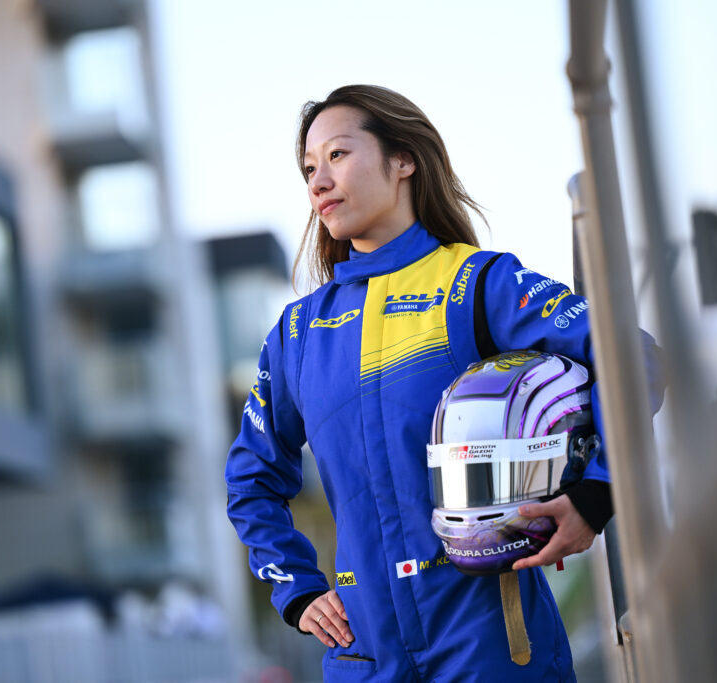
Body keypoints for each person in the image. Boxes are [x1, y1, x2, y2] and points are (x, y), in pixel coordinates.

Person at [225, 84, 664, 682]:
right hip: (362, 656)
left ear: (402, 160)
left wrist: (596, 496)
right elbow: (250, 479)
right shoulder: (298, 333)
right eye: (308, 168)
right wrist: (297, 591)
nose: (318, 182)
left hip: (491, 645)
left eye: (337, 155)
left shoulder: (476, 284)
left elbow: (634, 361)